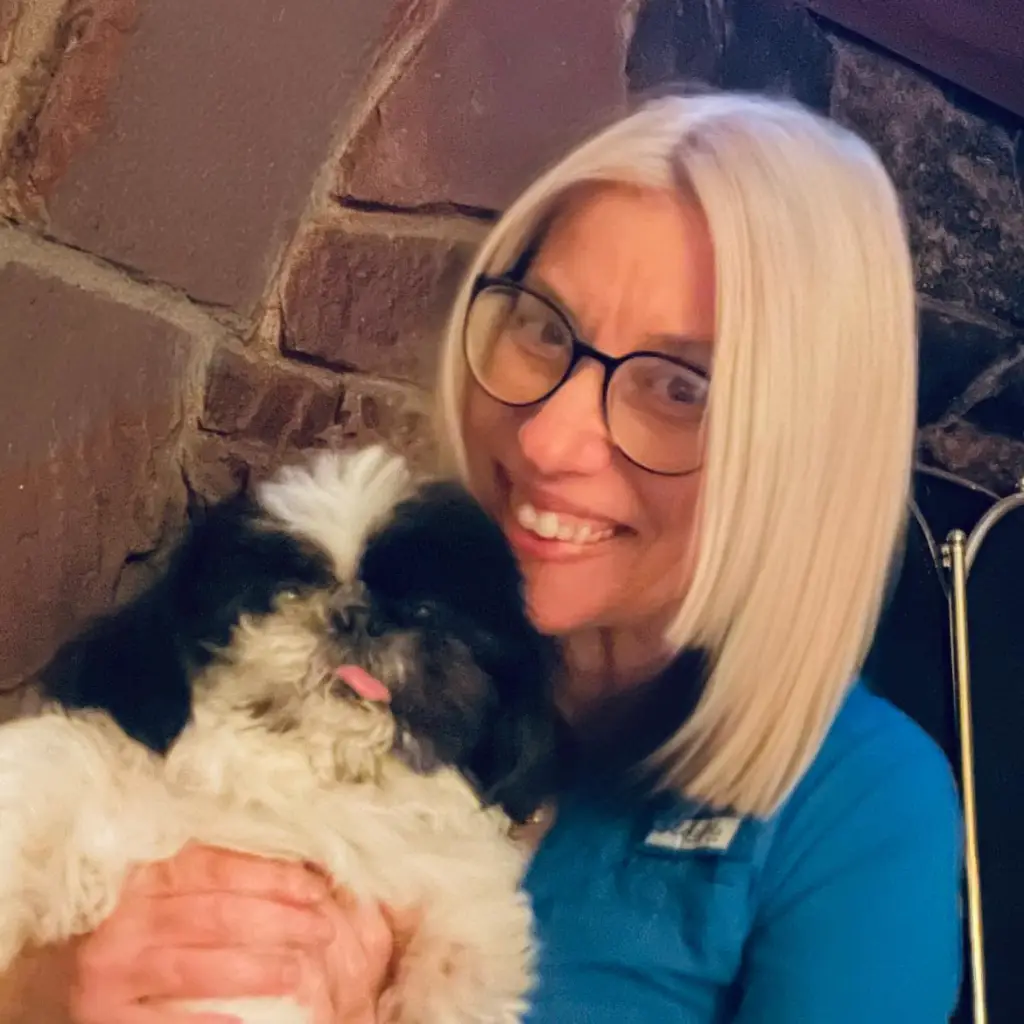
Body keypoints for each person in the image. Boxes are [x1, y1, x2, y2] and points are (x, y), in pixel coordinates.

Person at [2, 90, 962, 1023]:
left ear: (807, 460)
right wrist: (39, 992)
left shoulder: (862, 808)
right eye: (545, 330)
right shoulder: (311, 616)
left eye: (679, 388)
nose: (548, 439)